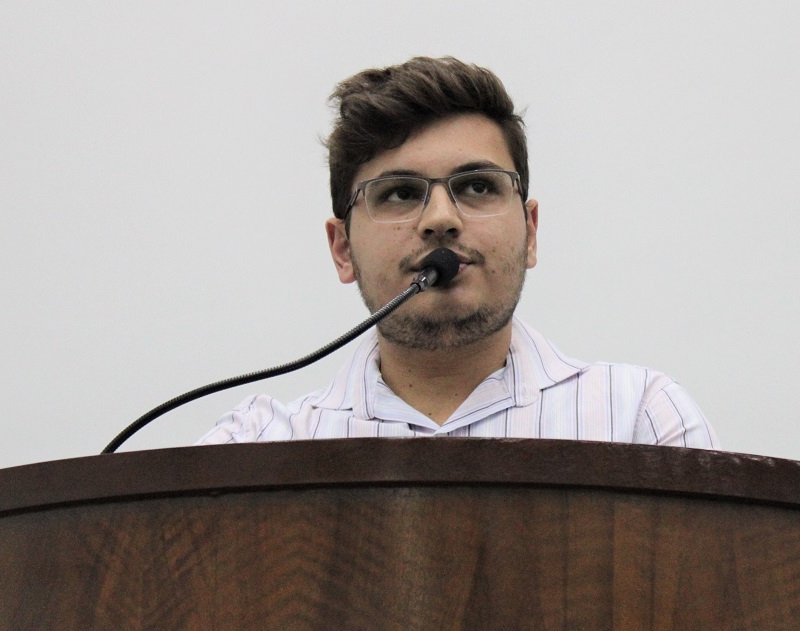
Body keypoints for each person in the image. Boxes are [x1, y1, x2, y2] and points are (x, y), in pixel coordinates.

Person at [199, 57, 718, 448]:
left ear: (530, 232)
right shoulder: (255, 446)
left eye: (477, 187)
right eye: (399, 193)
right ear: (343, 250)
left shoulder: (639, 421)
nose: (441, 219)